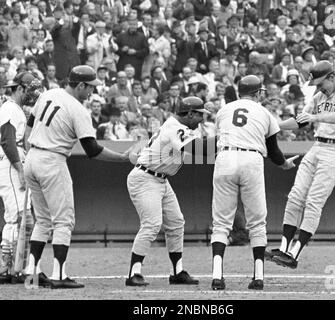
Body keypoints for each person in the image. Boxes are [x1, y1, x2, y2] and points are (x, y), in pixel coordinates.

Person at [23, 65, 131, 289]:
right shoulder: (78, 109)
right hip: (52, 161)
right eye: (90, 87)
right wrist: (123, 158)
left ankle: (32, 274)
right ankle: (59, 276)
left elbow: (30, 122)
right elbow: (92, 150)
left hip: (32, 157)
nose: (92, 92)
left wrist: (29, 143)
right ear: (80, 85)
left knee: (43, 220)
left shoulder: (49, 93)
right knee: (63, 221)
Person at [265, 60, 335, 269]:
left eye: (320, 83)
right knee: (295, 196)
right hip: (317, 146)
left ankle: (294, 254)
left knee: (314, 202)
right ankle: (283, 248)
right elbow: (300, 121)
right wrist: (274, 126)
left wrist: (315, 117)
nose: (318, 88)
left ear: (332, 77)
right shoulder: (318, 96)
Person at [210, 75, 299, 291]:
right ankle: (258, 277)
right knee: (257, 223)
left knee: (221, 223)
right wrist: (284, 164)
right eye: (261, 92)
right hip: (251, 159)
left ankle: (217, 276)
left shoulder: (224, 110)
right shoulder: (264, 112)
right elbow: (274, 150)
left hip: (225, 157)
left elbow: (219, 136)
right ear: (258, 92)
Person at [125, 96, 210, 287]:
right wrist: (225, 140)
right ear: (189, 113)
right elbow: (198, 148)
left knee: (176, 223)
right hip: (145, 177)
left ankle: (177, 272)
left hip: (160, 179)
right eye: (199, 115)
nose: (201, 119)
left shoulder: (179, 127)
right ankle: (134, 272)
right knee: (152, 225)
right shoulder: (175, 127)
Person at [0, 72, 37, 284]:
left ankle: (10, 268)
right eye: (29, 90)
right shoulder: (9, 108)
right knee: (18, 218)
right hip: (9, 164)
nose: (31, 94)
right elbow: (7, 141)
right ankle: (9, 268)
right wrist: (20, 170)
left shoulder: (16, 109)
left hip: (12, 164)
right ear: (20, 89)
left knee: (19, 219)